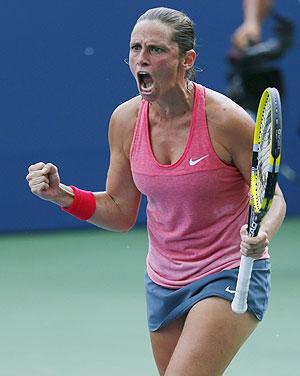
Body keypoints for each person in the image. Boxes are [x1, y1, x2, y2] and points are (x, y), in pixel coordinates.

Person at [26, 7, 286, 376]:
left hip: (226, 271)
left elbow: (272, 196)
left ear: (186, 60)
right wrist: (63, 196)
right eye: (135, 48)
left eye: (156, 50)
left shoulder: (226, 120)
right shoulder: (124, 121)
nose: (141, 59)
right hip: (163, 280)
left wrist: (262, 234)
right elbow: (119, 212)